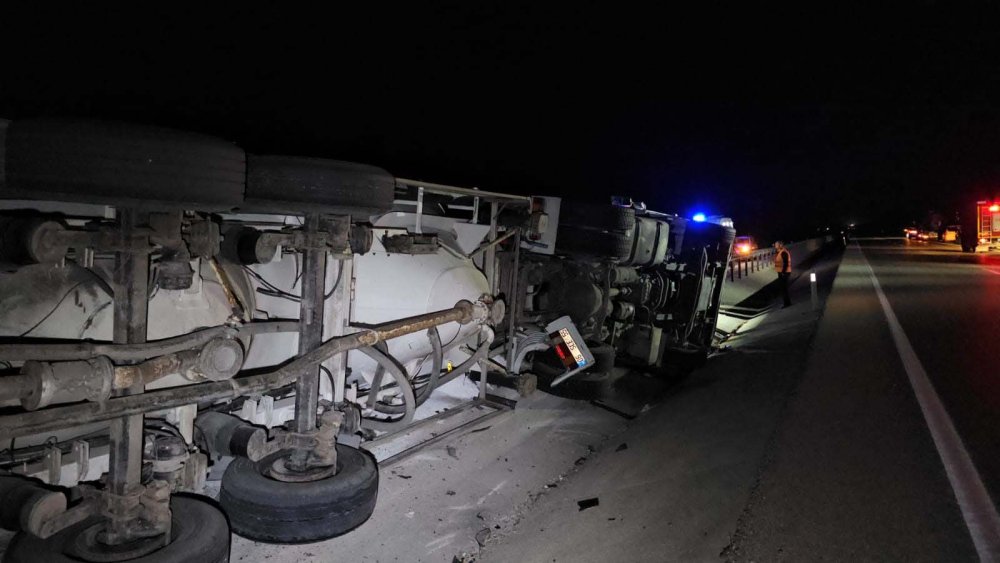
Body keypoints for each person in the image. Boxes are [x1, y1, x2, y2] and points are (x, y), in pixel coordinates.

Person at [773, 241, 792, 308]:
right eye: (775, 245)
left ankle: (787, 303)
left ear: (780, 245)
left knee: (783, 288)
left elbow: (786, 263)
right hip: (782, 272)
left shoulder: (783, 252)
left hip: (784, 273)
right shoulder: (779, 252)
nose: (775, 246)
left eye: (776, 245)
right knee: (783, 288)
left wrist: (783, 272)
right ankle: (787, 302)